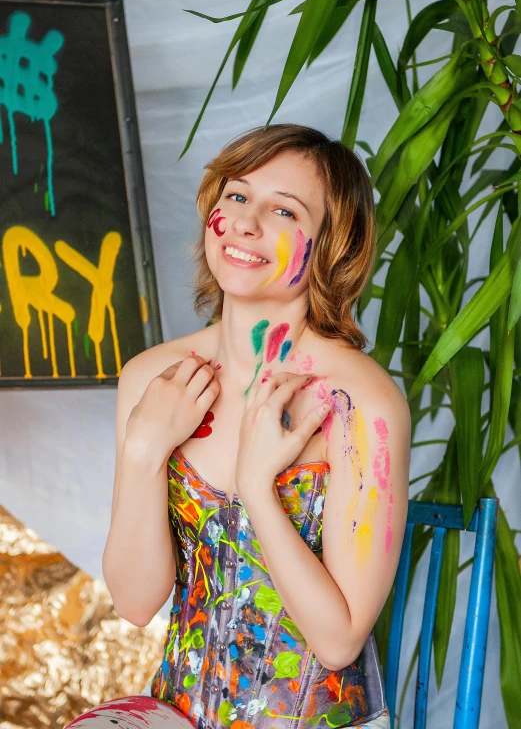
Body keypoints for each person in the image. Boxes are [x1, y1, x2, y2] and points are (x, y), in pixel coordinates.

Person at [66, 123, 410, 728]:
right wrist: (147, 449)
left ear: (333, 245)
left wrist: (258, 488)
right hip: (175, 714)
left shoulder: (361, 404)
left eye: (284, 210)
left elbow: (338, 644)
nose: (248, 223)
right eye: (238, 196)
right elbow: (136, 601)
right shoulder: (153, 378)